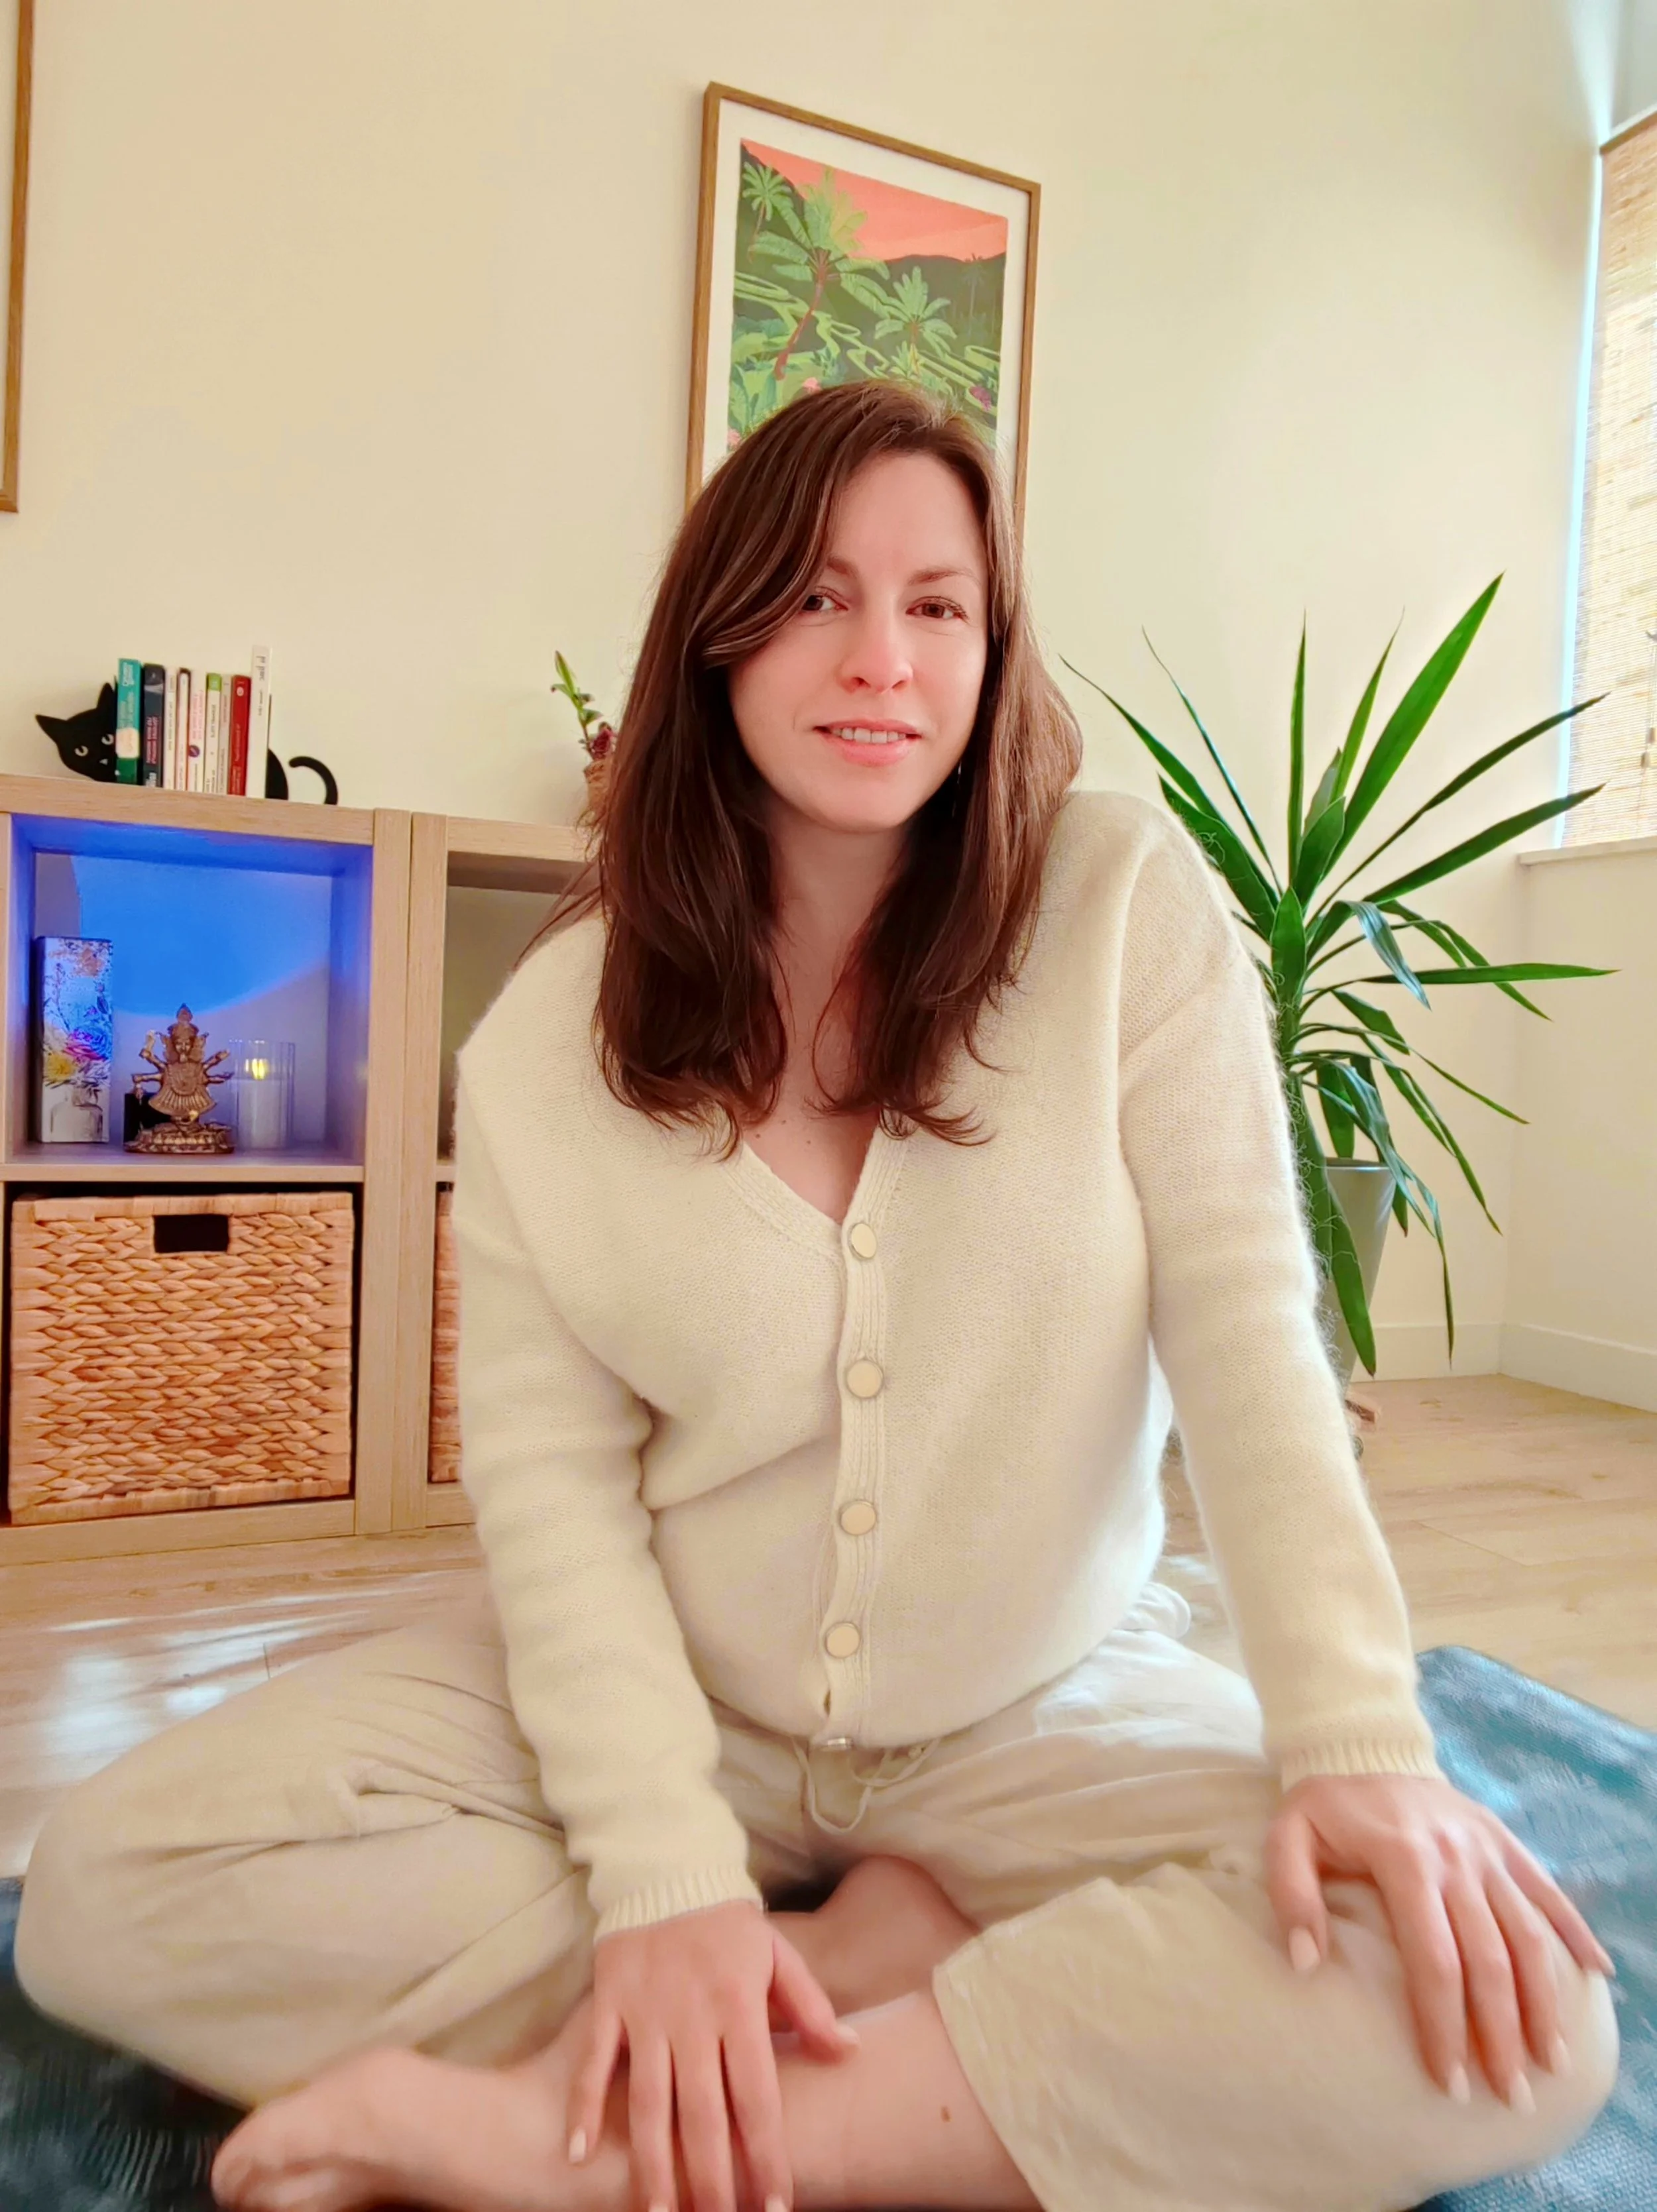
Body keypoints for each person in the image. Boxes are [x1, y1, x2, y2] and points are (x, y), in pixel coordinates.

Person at [16, 380, 1618, 2212]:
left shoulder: (1118, 905)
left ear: (993, 644)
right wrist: (664, 1881)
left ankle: (595, 2141)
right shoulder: (551, 1037)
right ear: (715, 635)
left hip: (1038, 1689)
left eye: (938, 604)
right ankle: (877, 1984)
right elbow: (550, 1496)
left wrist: (1354, 1746)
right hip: (683, 1686)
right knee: (112, 1892)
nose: (880, 660)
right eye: (814, 595)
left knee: (1504, 2006)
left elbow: (1251, 1336)